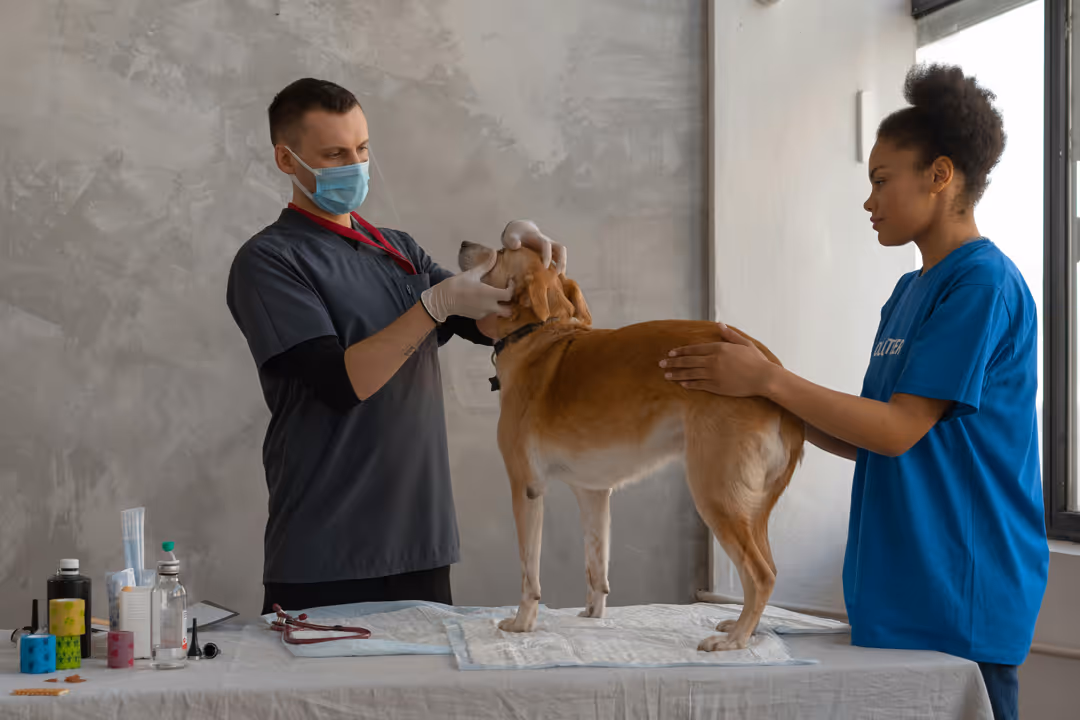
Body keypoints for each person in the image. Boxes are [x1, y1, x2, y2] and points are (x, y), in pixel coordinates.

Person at [660, 64, 1047, 720]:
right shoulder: (907, 293)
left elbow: (898, 429)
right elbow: (870, 435)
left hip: (961, 594)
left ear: (940, 175)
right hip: (896, 594)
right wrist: (763, 395)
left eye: (880, 180)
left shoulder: (980, 284)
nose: (869, 202)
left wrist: (770, 379)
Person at [226, 78, 566, 615]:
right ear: (286, 160)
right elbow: (341, 383)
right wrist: (432, 307)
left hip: (419, 544)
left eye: (361, 149)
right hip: (327, 553)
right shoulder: (270, 261)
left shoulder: (396, 250)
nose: (354, 165)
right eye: (334, 154)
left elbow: (490, 322)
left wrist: (516, 259)